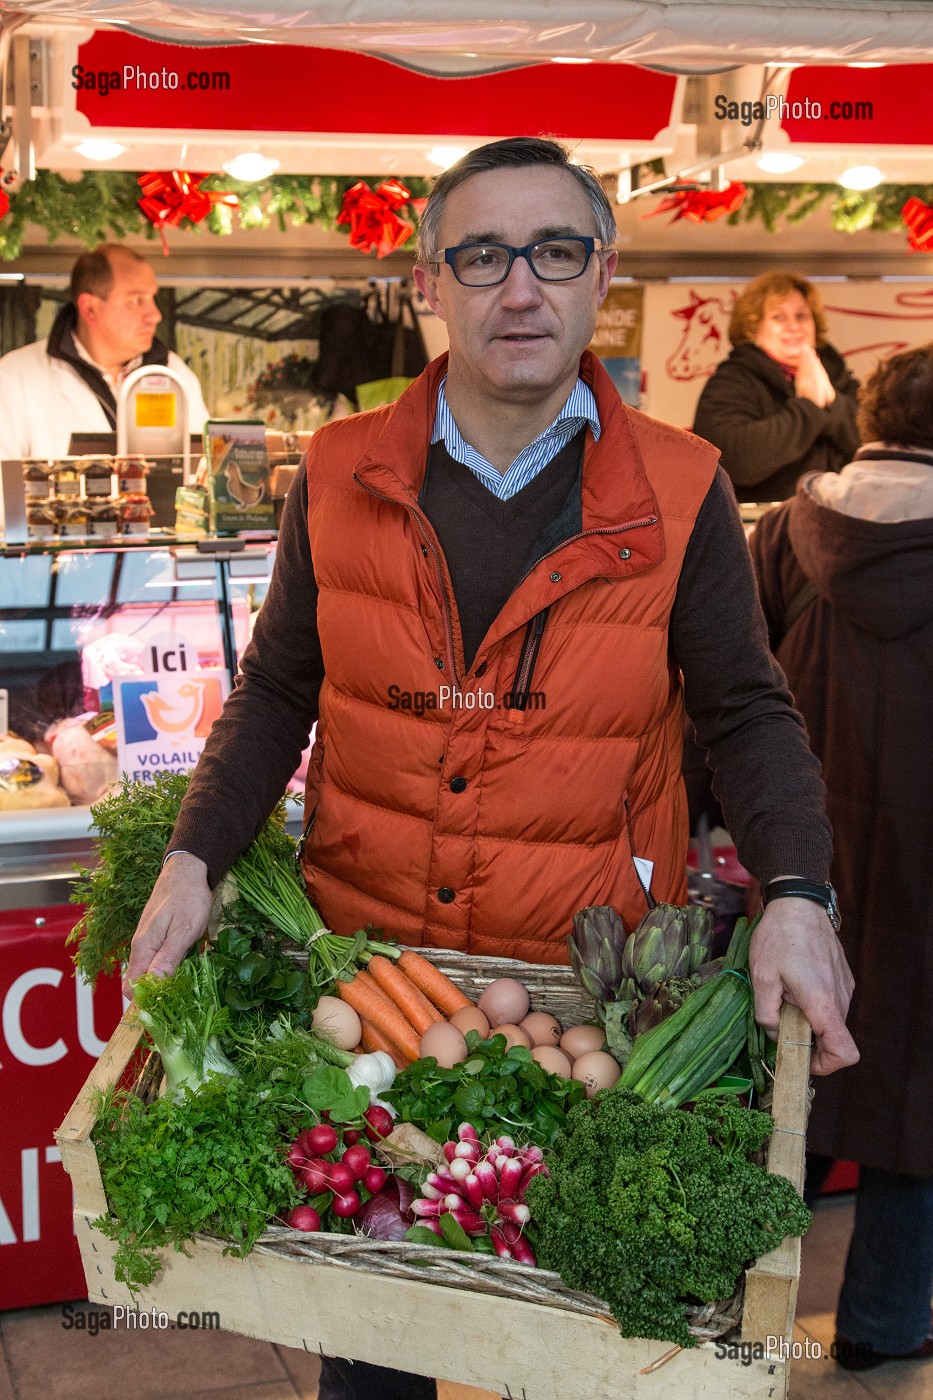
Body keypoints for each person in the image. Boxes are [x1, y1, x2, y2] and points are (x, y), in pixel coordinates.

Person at [126, 138, 857, 1398]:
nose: (520, 288)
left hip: (575, 995)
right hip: (368, 975)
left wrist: (799, 887)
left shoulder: (684, 486)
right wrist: (194, 854)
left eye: (554, 252)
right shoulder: (339, 471)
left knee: (568, 1341)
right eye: (481, 255)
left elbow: (744, 708)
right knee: (372, 1340)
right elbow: (277, 687)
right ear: (429, 282)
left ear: (600, 276)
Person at [749, 344, 933, 1373]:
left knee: (787, 1082)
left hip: (800, 858)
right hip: (923, 878)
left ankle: (730, 1323)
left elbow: (727, 693)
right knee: (917, 1091)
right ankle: (882, 1322)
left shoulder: (786, 530)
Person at [0, 243, 209, 458]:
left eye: (152, 297)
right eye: (137, 300)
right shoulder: (15, 377)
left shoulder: (175, 373)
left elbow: (205, 466)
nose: (155, 315)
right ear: (90, 308)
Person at [692, 270, 859, 502]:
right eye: (779, 317)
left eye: (802, 316)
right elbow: (738, 461)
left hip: (841, 516)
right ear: (753, 327)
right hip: (762, 521)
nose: (794, 326)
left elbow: (876, 445)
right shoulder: (731, 383)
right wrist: (809, 407)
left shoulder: (838, 376)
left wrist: (833, 402)